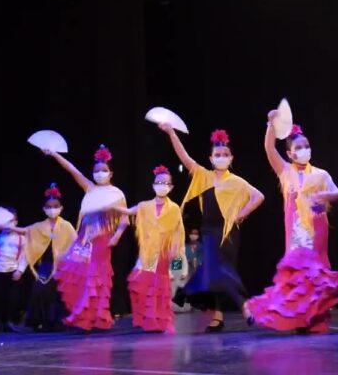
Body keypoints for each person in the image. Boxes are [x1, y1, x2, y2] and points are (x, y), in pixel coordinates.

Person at [246, 116, 338, 334]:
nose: (304, 149)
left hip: (316, 230)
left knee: (317, 271)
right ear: (289, 153)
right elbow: (269, 148)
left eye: (307, 146)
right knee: (296, 277)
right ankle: (281, 313)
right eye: (299, 147)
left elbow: (337, 193)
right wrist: (270, 124)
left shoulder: (320, 174)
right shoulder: (285, 172)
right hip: (296, 234)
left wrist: (325, 195)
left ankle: (335, 291)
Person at [161, 125, 264, 332]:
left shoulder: (236, 182)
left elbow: (259, 196)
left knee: (222, 272)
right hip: (209, 231)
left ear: (231, 158)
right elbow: (184, 157)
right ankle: (244, 307)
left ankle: (218, 316)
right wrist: (172, 133)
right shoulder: (203, 176)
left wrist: (241, 214)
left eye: (225, 154)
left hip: (229, 233)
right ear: (210, 158)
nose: (221, 157)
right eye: (217, 154)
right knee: (217, 271)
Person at [46, 145, 128, 330]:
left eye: (103, 170)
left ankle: (94, 318)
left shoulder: (117, 194)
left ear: (111, 173)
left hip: (102, 240)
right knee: (79, 274)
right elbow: (72, 169)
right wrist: (55, 153)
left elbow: (124, 219)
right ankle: (85, 316)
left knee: (96, 277)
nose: (100, 173)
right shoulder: (89, 188)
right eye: (96, 171)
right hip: (84, 239)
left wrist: (116, 237)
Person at [118, 165, 186, 333]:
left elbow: (178, 232)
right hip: (147, 252)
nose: (162, 185)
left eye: (165, 182)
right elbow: (128, 211)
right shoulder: (145, 206)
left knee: (160, 288)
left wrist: (175, 256)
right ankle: (146, 319)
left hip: (164, 252)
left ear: (170, 187)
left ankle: (159, 321)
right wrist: (108, 206)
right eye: (158, 182)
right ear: (153, 185)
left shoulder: (174, 208)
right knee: (140, 283)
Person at [10, 183, 76, 332]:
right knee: (39, 291)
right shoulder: (38, 227)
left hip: (64, 266)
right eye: (49, 206)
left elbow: (76, 246)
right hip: (45, 266)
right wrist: (20, 270)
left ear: (61, 208)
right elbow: (29, 247)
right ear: (44, 209)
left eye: (55, 206)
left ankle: (58, 322)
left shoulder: (67, 226)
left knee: (58, 293)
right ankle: (39, 322)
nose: (52, 209)